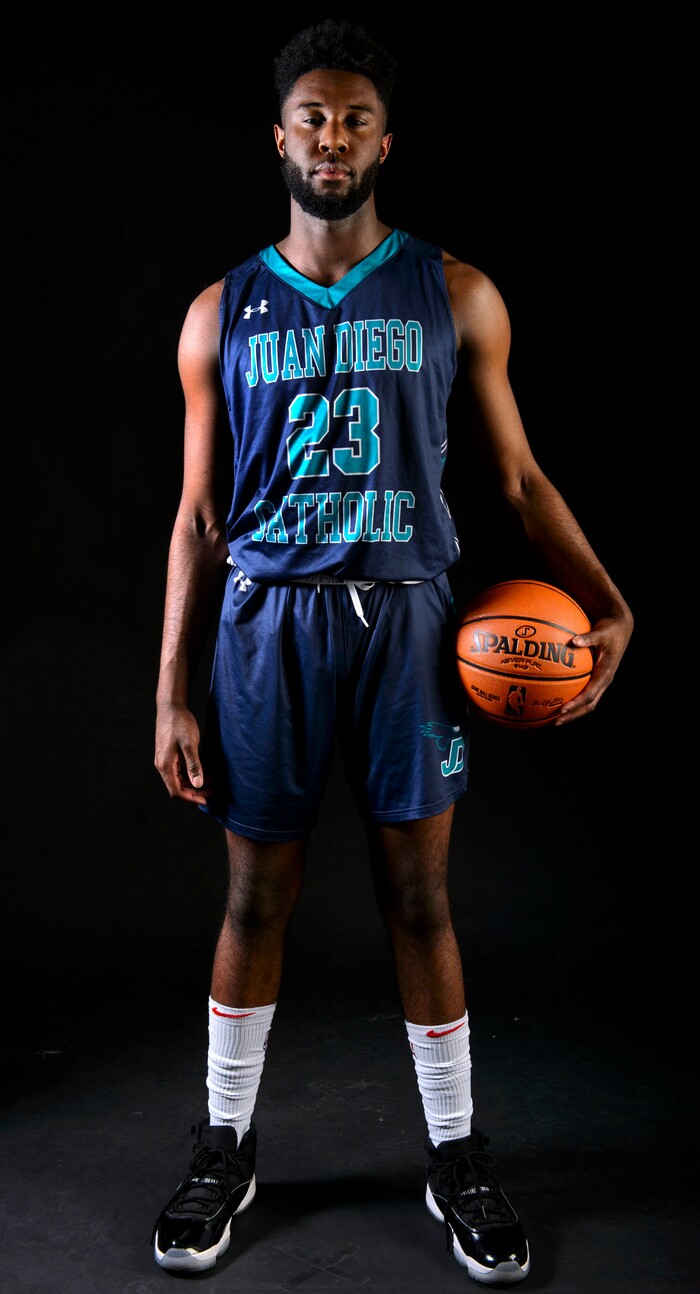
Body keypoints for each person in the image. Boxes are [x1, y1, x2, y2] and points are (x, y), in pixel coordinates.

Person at [151, 18, 633, 1286]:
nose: (331, 135)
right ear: (279, 136)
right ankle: (223, 1144)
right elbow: (200, 517)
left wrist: (605, 600)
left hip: (410, 627)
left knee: (421, 896)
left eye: (355, 118)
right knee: (256, 896)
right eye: (312, 114)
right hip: (265, 629)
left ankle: (458, 1155)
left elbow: (517, 479)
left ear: (384, 142)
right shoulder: (220, 313)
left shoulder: (454, 291)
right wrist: (171, 691)